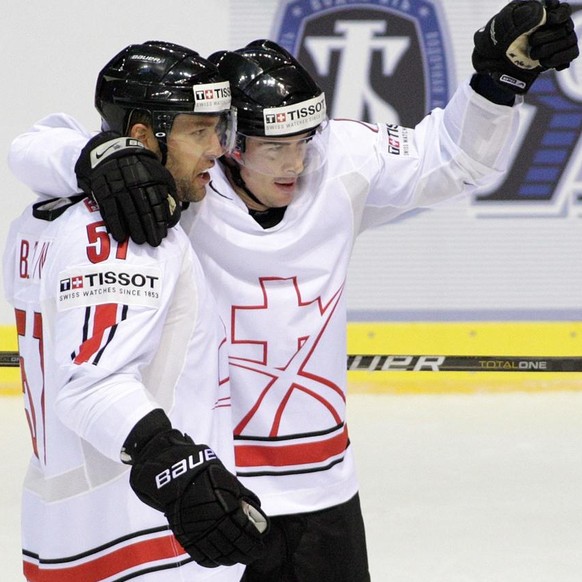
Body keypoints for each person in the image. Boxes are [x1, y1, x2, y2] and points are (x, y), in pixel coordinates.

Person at [7, 3, 579, 581]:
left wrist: (497, 83)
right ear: (230, 142)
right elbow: (37, 146)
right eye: (274, 147)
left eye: (305, 140)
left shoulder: (339, 160)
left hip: (323, 489)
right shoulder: (184, 188)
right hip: (216, 488)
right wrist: (99, 159)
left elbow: (455, 160)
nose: (296, 163)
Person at [3, 40, 268, 582]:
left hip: (67, 534)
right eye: (199, 131)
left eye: (219, 129)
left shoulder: (41, 217)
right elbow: (91, 383)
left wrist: (103, 154)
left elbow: (34, 143)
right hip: (140, 544)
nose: (217, 150)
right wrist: (175, 467)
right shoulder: (127, 231)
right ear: (144, 138)